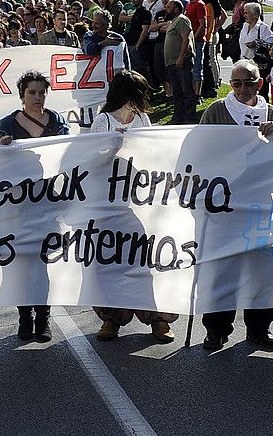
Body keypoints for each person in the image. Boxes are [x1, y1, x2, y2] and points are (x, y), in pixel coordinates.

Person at [199, 60, 273, 352]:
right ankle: (216, 329)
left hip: (259, 204)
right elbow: (199, 151)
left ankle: (259, 329)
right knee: (222, 269)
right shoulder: (217, 111)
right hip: (223, 204)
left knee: (260, 271)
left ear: (259, 83)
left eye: (248, 82)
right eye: (236, 83)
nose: (241, 89)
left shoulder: (272, 113)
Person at [88, 70, 176, 343]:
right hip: (110, 204)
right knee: (111, 264)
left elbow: (151, 155)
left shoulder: (142, 119)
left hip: (139, 202)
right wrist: (114, 149)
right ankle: (111, 319)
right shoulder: (102, 121)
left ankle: (158, 320)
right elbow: (91, 161)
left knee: (146, 262)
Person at [0, 70, 70, 343]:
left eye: (42, 92)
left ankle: (43, 317)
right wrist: (2, 147)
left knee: (41, 264)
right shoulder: (6, 123)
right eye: (32, 93)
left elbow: (67, 155)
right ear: (22, 95)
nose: (38, 98)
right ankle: (24, 316)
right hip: (18, 205)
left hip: (48, 202)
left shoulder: (58, 121)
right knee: (21, 263)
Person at [163, 0, 196, 125]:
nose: (167, 8)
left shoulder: (181, 20)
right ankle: (178, 117)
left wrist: (181, 57)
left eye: (169, 7)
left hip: (181, 61)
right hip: (172, 62)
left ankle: (189, 118)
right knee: (177, 91)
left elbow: (185, 39)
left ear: (176, 9)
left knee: (186, 90)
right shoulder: (173, 21)